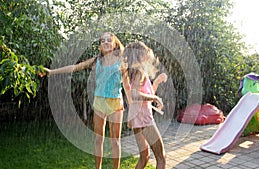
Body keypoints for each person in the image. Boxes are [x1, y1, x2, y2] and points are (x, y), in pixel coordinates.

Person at [39, 32, 126, 169]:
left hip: (115, 103)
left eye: (109, 40)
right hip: (99, 102)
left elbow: (127, 85)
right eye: (103, 41)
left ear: (115, 43)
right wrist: (51, 72)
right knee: (99, 139)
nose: (106, 42)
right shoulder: (96, 61)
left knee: (115, 141)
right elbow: (75, 68)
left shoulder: (122, 61)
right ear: (100, 47)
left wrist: (133, 104)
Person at [121, 41, 167, 169]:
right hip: (144, 119)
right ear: (140, 54)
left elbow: (145, 93)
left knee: (144, 156)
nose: (149, 51)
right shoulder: (139, 71)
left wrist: (157, 82)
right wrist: (156, 97)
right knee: (161, 157)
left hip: (137, 118)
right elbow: (136, 95)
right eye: (145, 49)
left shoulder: (134, 71)